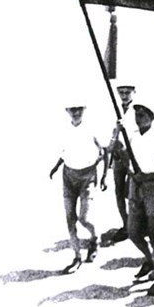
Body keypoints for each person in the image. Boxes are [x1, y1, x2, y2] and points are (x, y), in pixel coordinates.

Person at [49, 99, 109, 274]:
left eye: (79, 109)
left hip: (87, 176)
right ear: (67, 110)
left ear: (84, 109)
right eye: (72, 109)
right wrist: (56, 166)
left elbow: (104, 152)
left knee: (84, 218)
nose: (76, 112)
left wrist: (104, 176)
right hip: (68, 176)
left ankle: (95, 238)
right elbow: (66, 152)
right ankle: (77, 257)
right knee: (70, 219)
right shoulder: (64, 130)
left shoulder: (92, 129)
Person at [124, 95, 154, 296]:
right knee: (133, 232)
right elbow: (127, 158)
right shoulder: (133, 135)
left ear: (152, 117)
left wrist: (149, 176)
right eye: (136, 113)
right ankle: (151, 261)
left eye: (142, 114)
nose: (138, 117)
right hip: (136, 186)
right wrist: (132, 174)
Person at [108, 80, 136, 243]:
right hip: (118, 156)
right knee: (119, 192)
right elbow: (111, 132)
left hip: (133, 155)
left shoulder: (138, 110)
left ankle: (135, 224)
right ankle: (125, 224)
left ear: (134, 92)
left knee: (133, 192)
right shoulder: (114, 109)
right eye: (122, 92)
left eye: (128, 92)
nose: (124, 95)